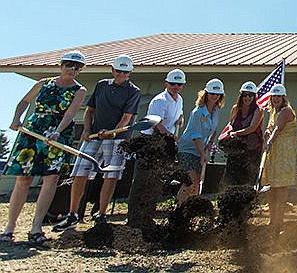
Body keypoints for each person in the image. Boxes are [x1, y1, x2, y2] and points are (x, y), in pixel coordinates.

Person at [1, 51, 87, 244]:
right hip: (34, 130)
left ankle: (36, 227)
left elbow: (70, 114)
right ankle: (9, 227)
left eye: (77, 67)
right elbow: (24, 102)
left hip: (57, 133)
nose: (72, 69)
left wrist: (57, 132)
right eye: (69, 65)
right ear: (61, 65)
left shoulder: (79, 90)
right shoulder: (43, 83)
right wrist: (17, 119)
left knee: (51, 177)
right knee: (23, 178)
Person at [53, 55, 141, 231]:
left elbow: (127, 118)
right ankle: (73, 214)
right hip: (94, 136)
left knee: (111, 176)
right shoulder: (101, 85)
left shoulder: (134, 91)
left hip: (117, 139)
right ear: (112, 70)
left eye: (125, 72)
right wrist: (86, 130)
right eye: (118, 71)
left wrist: (112, 132)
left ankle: (101, 214)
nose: (121, 75)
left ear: (129, 72)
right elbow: (89, 111)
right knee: (80, 172)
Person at [126, 68, 186, 227]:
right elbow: (156, 123)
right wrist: (169, 134)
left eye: (179, 84)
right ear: (166, 83)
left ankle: (147, 215)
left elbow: (178, 116)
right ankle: (133, 217)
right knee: (142, 179)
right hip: (151, 141)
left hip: (165, 142)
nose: (176, 87)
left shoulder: (179, 100)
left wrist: (180, 119)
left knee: (156, 180)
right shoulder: (159, 100)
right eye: (173, 84)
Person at [176, 78, 223, 204]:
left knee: (197, 183)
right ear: (206, 94)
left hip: (201, 149)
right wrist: (202, 154)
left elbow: (214, 129)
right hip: (188, 150)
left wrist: (210, 143)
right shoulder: (198, 112)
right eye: (212, 93)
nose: (214, 96)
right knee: (189, 181)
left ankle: (189, 209)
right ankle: (179, 208)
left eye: (217, 94)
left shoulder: (216, 111)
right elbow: (196, 135)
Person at [262, 84, 297, 231]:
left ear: (283, 98)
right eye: (274, 96)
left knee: (281, 188)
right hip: (274, 154)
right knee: (271, 188)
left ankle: (279, 221)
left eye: (279, 96)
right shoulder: (273, 112)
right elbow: (272, 128)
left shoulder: (286, 111)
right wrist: (267, 134)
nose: (276, 99)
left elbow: (278, 128)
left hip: (284, 156)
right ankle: (272, 219)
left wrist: (269, 140)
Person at [223, 81, 263, 186]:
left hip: (251, 150)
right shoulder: (235, 108)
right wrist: (231, 130)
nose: (248, 98)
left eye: (251, 95)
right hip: (236, 149)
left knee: (248, 178)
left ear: (254, 96)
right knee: (232, 177)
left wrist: (235, 133)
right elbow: (231, 123)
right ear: (241, 96)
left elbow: (252, 128)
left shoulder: (258, 110)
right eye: (245, 95)